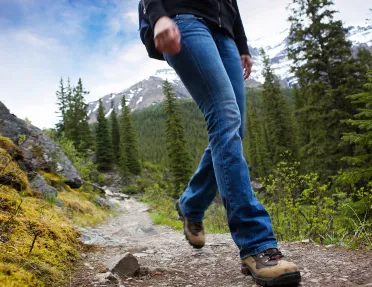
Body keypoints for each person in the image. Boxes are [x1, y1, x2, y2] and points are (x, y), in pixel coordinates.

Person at [143, 0, 301, 286]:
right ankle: (256, 244)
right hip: (183, 18)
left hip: (224, 32)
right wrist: (157, 17)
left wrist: (242, 45)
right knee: (225, 116)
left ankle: (191, 204)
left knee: (232, 128)